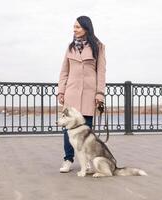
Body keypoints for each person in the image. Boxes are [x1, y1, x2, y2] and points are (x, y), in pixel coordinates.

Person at [57, 16, 106, 173]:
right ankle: (68, 160)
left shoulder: (98, 47)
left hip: (89, 94)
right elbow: (64, 71)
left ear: (86, 28)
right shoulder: (70, 47)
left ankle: (88, 162)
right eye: (74, 26)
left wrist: (99, 93)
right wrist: (61, 91)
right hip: (71, 93)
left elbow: (101, 72)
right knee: (67, 128)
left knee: (86, 130)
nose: (74, 29)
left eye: (77, 27)